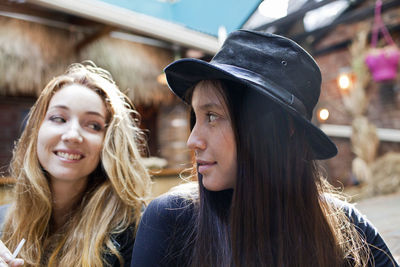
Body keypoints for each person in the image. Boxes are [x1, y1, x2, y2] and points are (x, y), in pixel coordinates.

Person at [131, 30, 399, 267]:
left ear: (280, 128)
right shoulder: (172, 221)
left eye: (212, 116)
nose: (192, 140)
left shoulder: (344, 226)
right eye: (196, 118)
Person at [0, 61, 152, 267]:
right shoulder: (3, 221)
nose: (72, 135)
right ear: (35, 131)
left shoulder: (136, 231)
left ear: (109, 143)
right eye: (58, 118)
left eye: (93, 125)